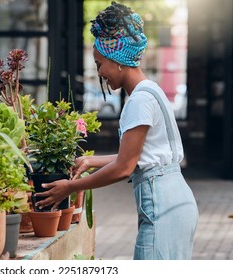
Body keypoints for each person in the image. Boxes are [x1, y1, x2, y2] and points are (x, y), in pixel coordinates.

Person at [35, 1, 199, 260]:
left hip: (164, 208)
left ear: (117, 60)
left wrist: (70, 186)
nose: (100, 73)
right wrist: (90, 160)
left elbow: (124, 167)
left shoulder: (139, 101)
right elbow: (137, 156)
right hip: (176, 202)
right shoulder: (151, 90)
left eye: (100, 64)